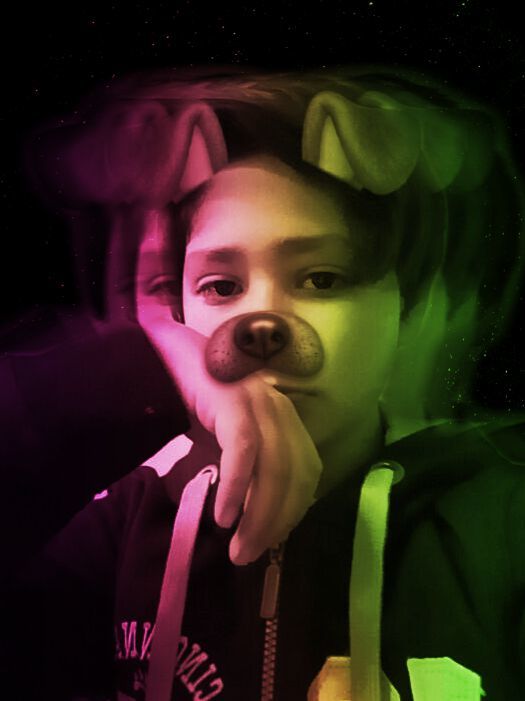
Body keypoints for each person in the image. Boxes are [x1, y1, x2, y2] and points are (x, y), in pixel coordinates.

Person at [4, 66, 525, 701]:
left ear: (402, 306)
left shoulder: (499, 519)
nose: (262, 323)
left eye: (323, 279)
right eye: (221, 286)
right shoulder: (130, 522)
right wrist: (161, 362)